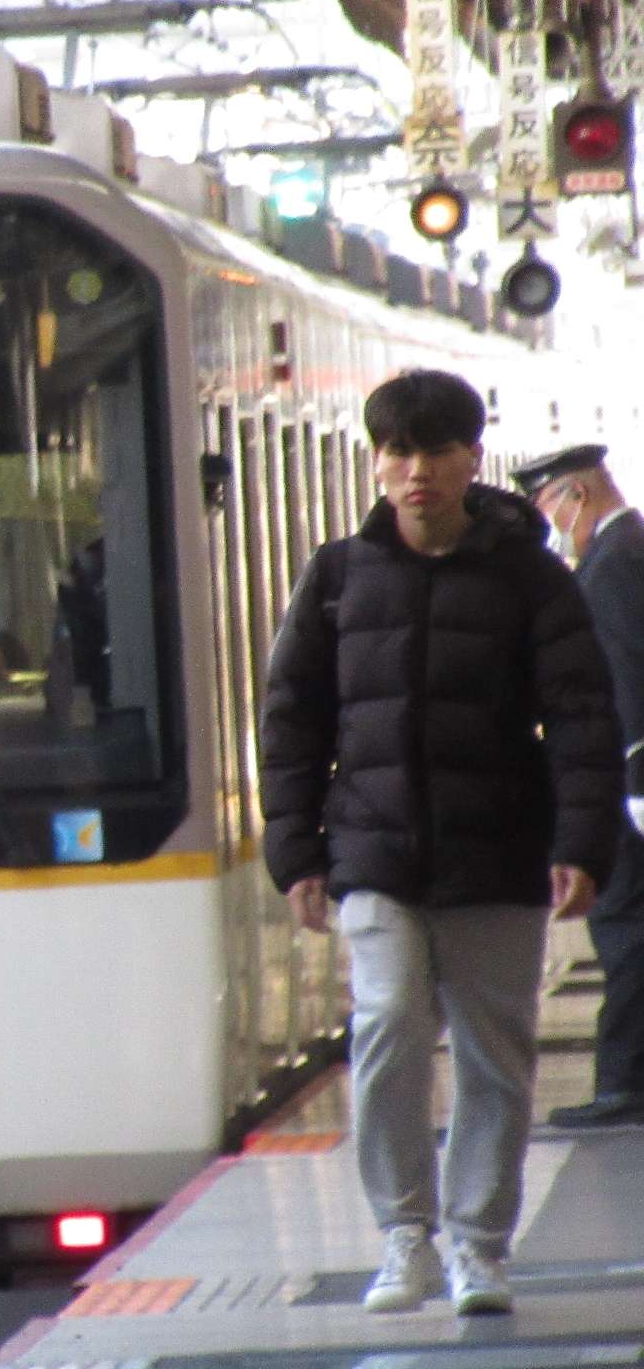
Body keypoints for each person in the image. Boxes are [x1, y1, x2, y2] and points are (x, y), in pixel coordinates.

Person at [259, 369, 618, 1318]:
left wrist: (582, 840)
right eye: (398, 452)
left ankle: (479, 1247)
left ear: (471, 459)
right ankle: (404, 1235)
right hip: (373, 852)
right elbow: (291, 719)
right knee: (385, 1026)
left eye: (436, 451)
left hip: (498, 851)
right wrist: (296, 853)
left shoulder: (530, 578)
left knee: (497, 1053)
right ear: (377, 464)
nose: (416, 472)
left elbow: (581, 714)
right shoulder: (337, 576)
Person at [514, 444, 644, 1128]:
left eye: (547, 509)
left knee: (624, 924)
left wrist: (631, 785)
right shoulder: (625, 552)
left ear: (576, 496)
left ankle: (624, 1084)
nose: (550, 527)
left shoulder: (614, 567)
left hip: (629, 786)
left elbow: (625, 685)